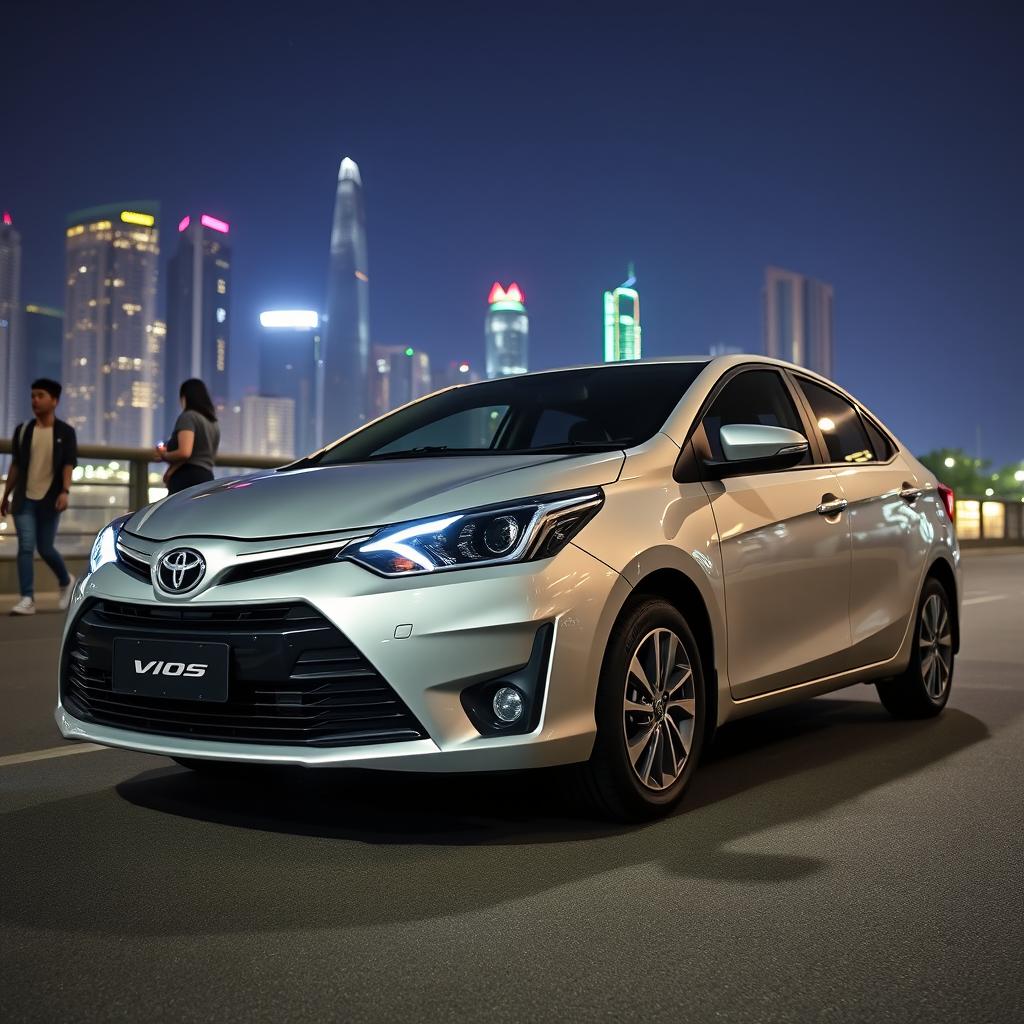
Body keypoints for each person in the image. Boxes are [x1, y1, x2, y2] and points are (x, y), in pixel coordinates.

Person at [1, 378, 78, 616]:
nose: (35, 400)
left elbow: (68, 464)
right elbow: (15, 465)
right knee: (25, 546)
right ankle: (27, 598)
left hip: (50, 498)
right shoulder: (23, 431)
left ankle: (66, 581)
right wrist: (6, 495)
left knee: (45, 548)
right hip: (25, 498)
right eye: (33, 395)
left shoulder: (65, 432)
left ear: (54, 401)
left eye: (40, 395)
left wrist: (65, 492)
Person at [156, 378, 221, 495]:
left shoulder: (188, 417)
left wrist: (164, 454)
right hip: (207, 477)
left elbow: (185, 452)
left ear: (184, 397)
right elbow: (200, 455)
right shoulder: (213, 423)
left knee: (176, 513)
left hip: (186, 478)